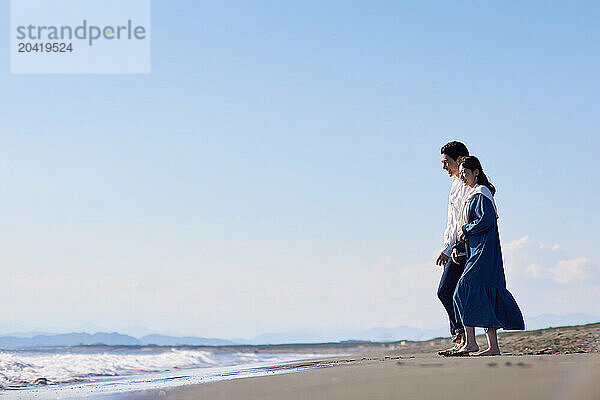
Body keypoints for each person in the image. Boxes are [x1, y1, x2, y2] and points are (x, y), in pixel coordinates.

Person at [449, 156, 525, 356]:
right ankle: (492, 347)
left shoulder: (481, 193)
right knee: (481, 294)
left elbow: (487, 220)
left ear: (476, 172)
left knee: (463, 289)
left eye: (466, 173)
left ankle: (472, 343)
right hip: (477, 250)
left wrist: (465, 229)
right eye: (462, 173)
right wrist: (460, 244)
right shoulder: (474, 194)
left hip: (484, 252)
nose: (463, 177)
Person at [436, 141, 471, 355]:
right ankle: (460, 337)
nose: (444, 168)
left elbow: (462, 221)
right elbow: (451, 222)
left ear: (459, 160)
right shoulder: (454, 183)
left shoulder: (467, 184)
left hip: (461, 247)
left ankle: (461, 335)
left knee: (446, 291)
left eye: (446, 162)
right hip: (452, 247)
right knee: (451, 292)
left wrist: (452, 247)